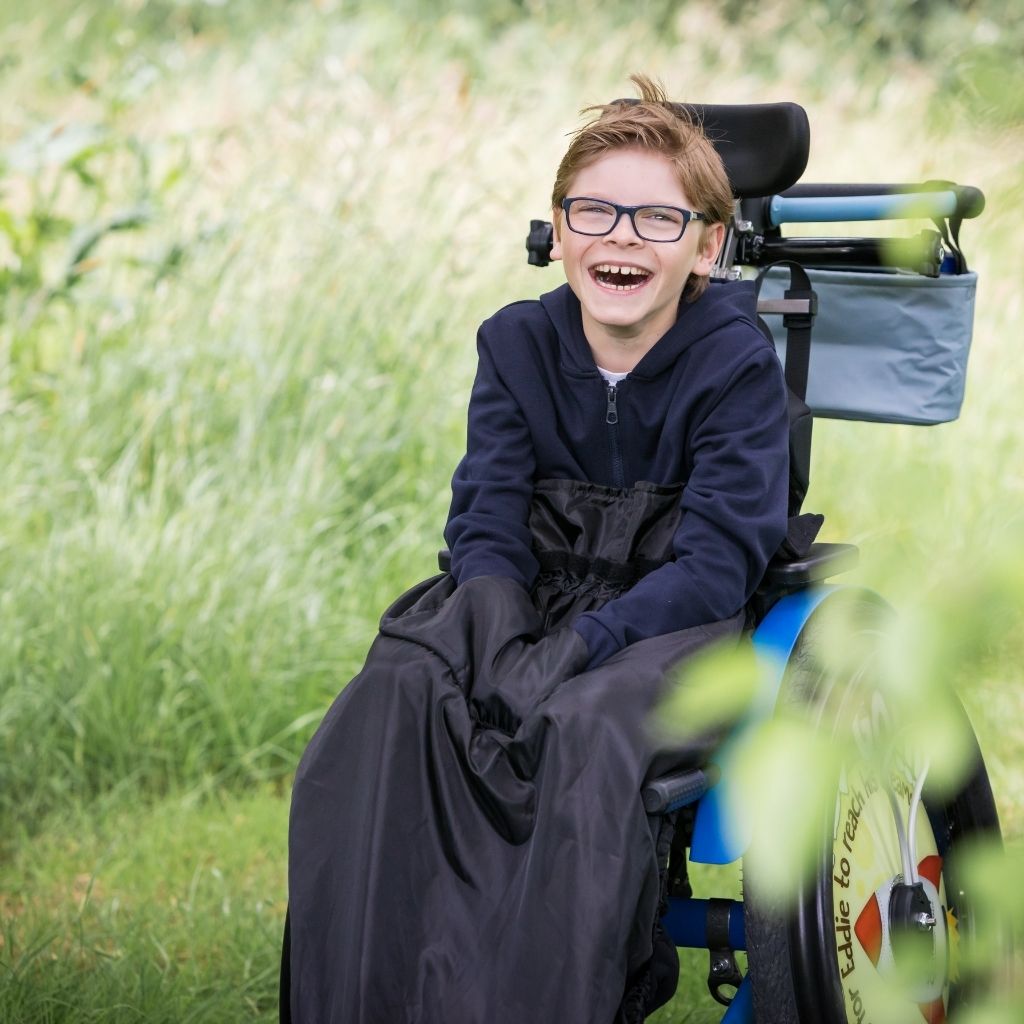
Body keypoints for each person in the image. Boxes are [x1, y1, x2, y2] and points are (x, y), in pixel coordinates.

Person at [285, 75, 789, 1024]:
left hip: (669, 618)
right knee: (397, 697)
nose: (622, 238)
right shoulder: (515, 342)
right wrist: (493, 616)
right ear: (557, 231)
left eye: (656, 219)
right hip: (526, 591)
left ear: (706, 246)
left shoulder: (734, 363)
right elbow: (485, 510)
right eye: (593, 211)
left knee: (584, 726)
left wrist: (585, 644)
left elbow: (716, 566)